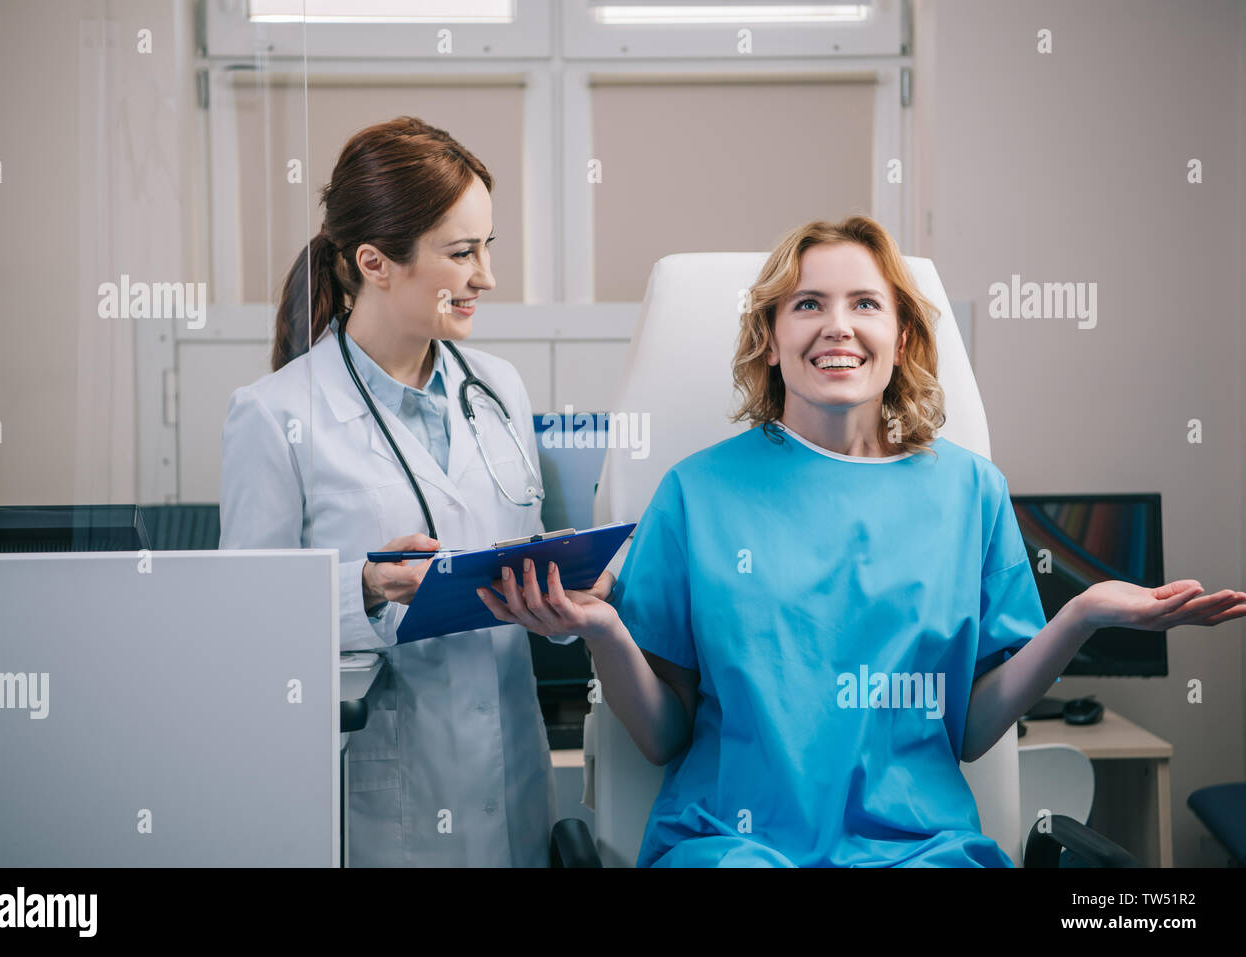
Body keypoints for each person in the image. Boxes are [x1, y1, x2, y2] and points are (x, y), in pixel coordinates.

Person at [478, 215, 1246, 867]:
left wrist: (1079, 617)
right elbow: (660, 736)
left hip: (919, 847)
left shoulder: (969, 492)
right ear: (771, 340)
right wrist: (605, 631)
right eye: (807, 303)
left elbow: (974, 732)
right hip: (734, 844)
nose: (837, 325)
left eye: (864, 304)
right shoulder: (696, 492)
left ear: (902, 336)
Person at [219, 116, 609, 867]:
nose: (486, 277)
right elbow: (244, 627)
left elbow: (528, 575)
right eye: (461, 253)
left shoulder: (498, 387)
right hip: (387, 804)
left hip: (517, 783)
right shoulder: (274, 415)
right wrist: (363, 587)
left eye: (487, 247)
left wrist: (564, 603)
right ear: (375, 261)